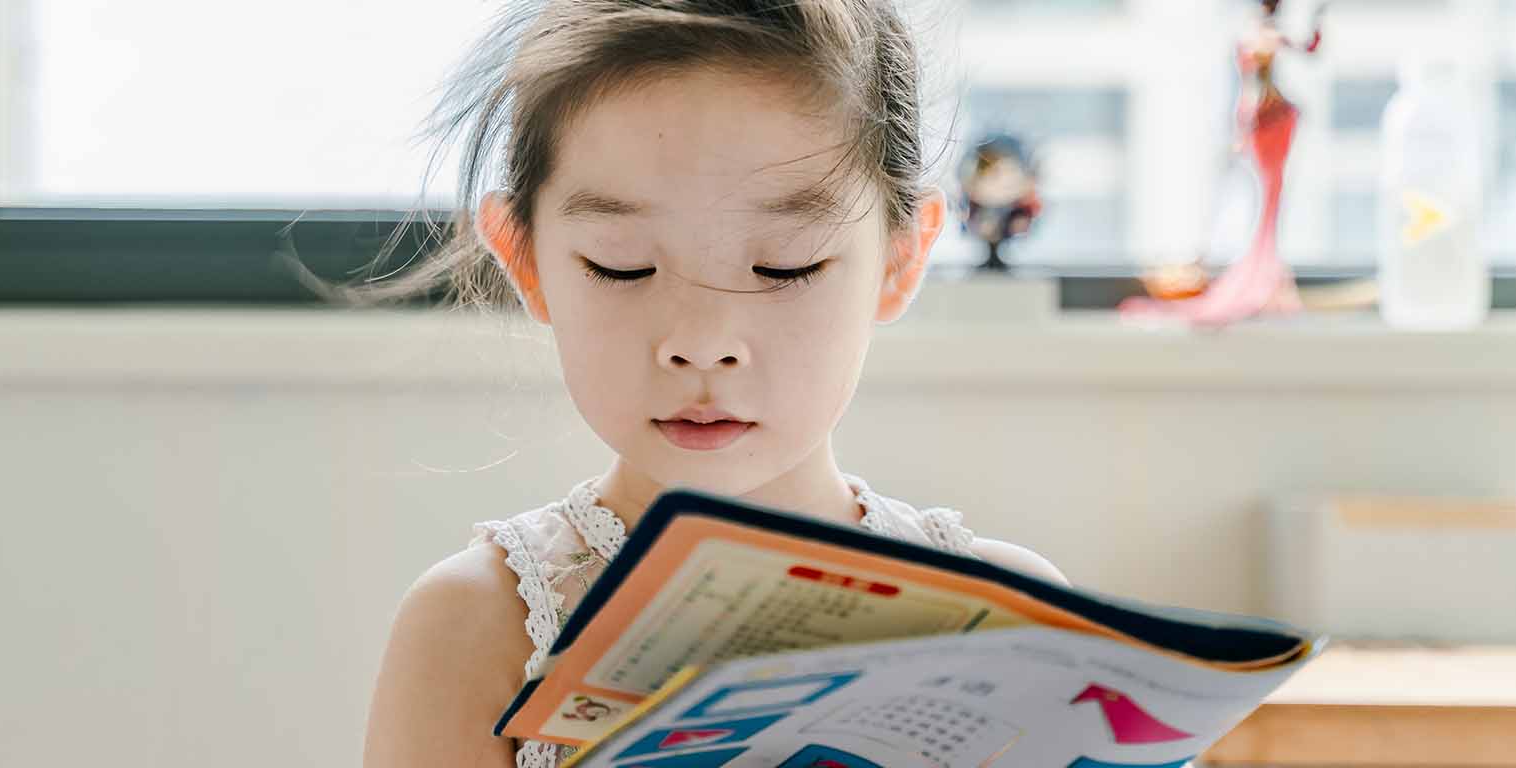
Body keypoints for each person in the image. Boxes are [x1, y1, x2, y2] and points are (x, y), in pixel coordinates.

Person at [356, 2, 1070, 766]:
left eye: (784, 265)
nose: (700, 345)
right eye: (621, 264)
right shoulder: (476, 625)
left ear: (901, 257)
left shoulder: (1013, 615)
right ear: (525, 259)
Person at [1121, 0, 1327, 326]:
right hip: (1260, 121)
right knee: (1254, 193)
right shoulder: (1252, 36)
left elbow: (1304, 49)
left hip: (1269, 120)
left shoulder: (1259, 36)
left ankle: (1261, 273)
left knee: (1265, 194)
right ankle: (1248, 270)